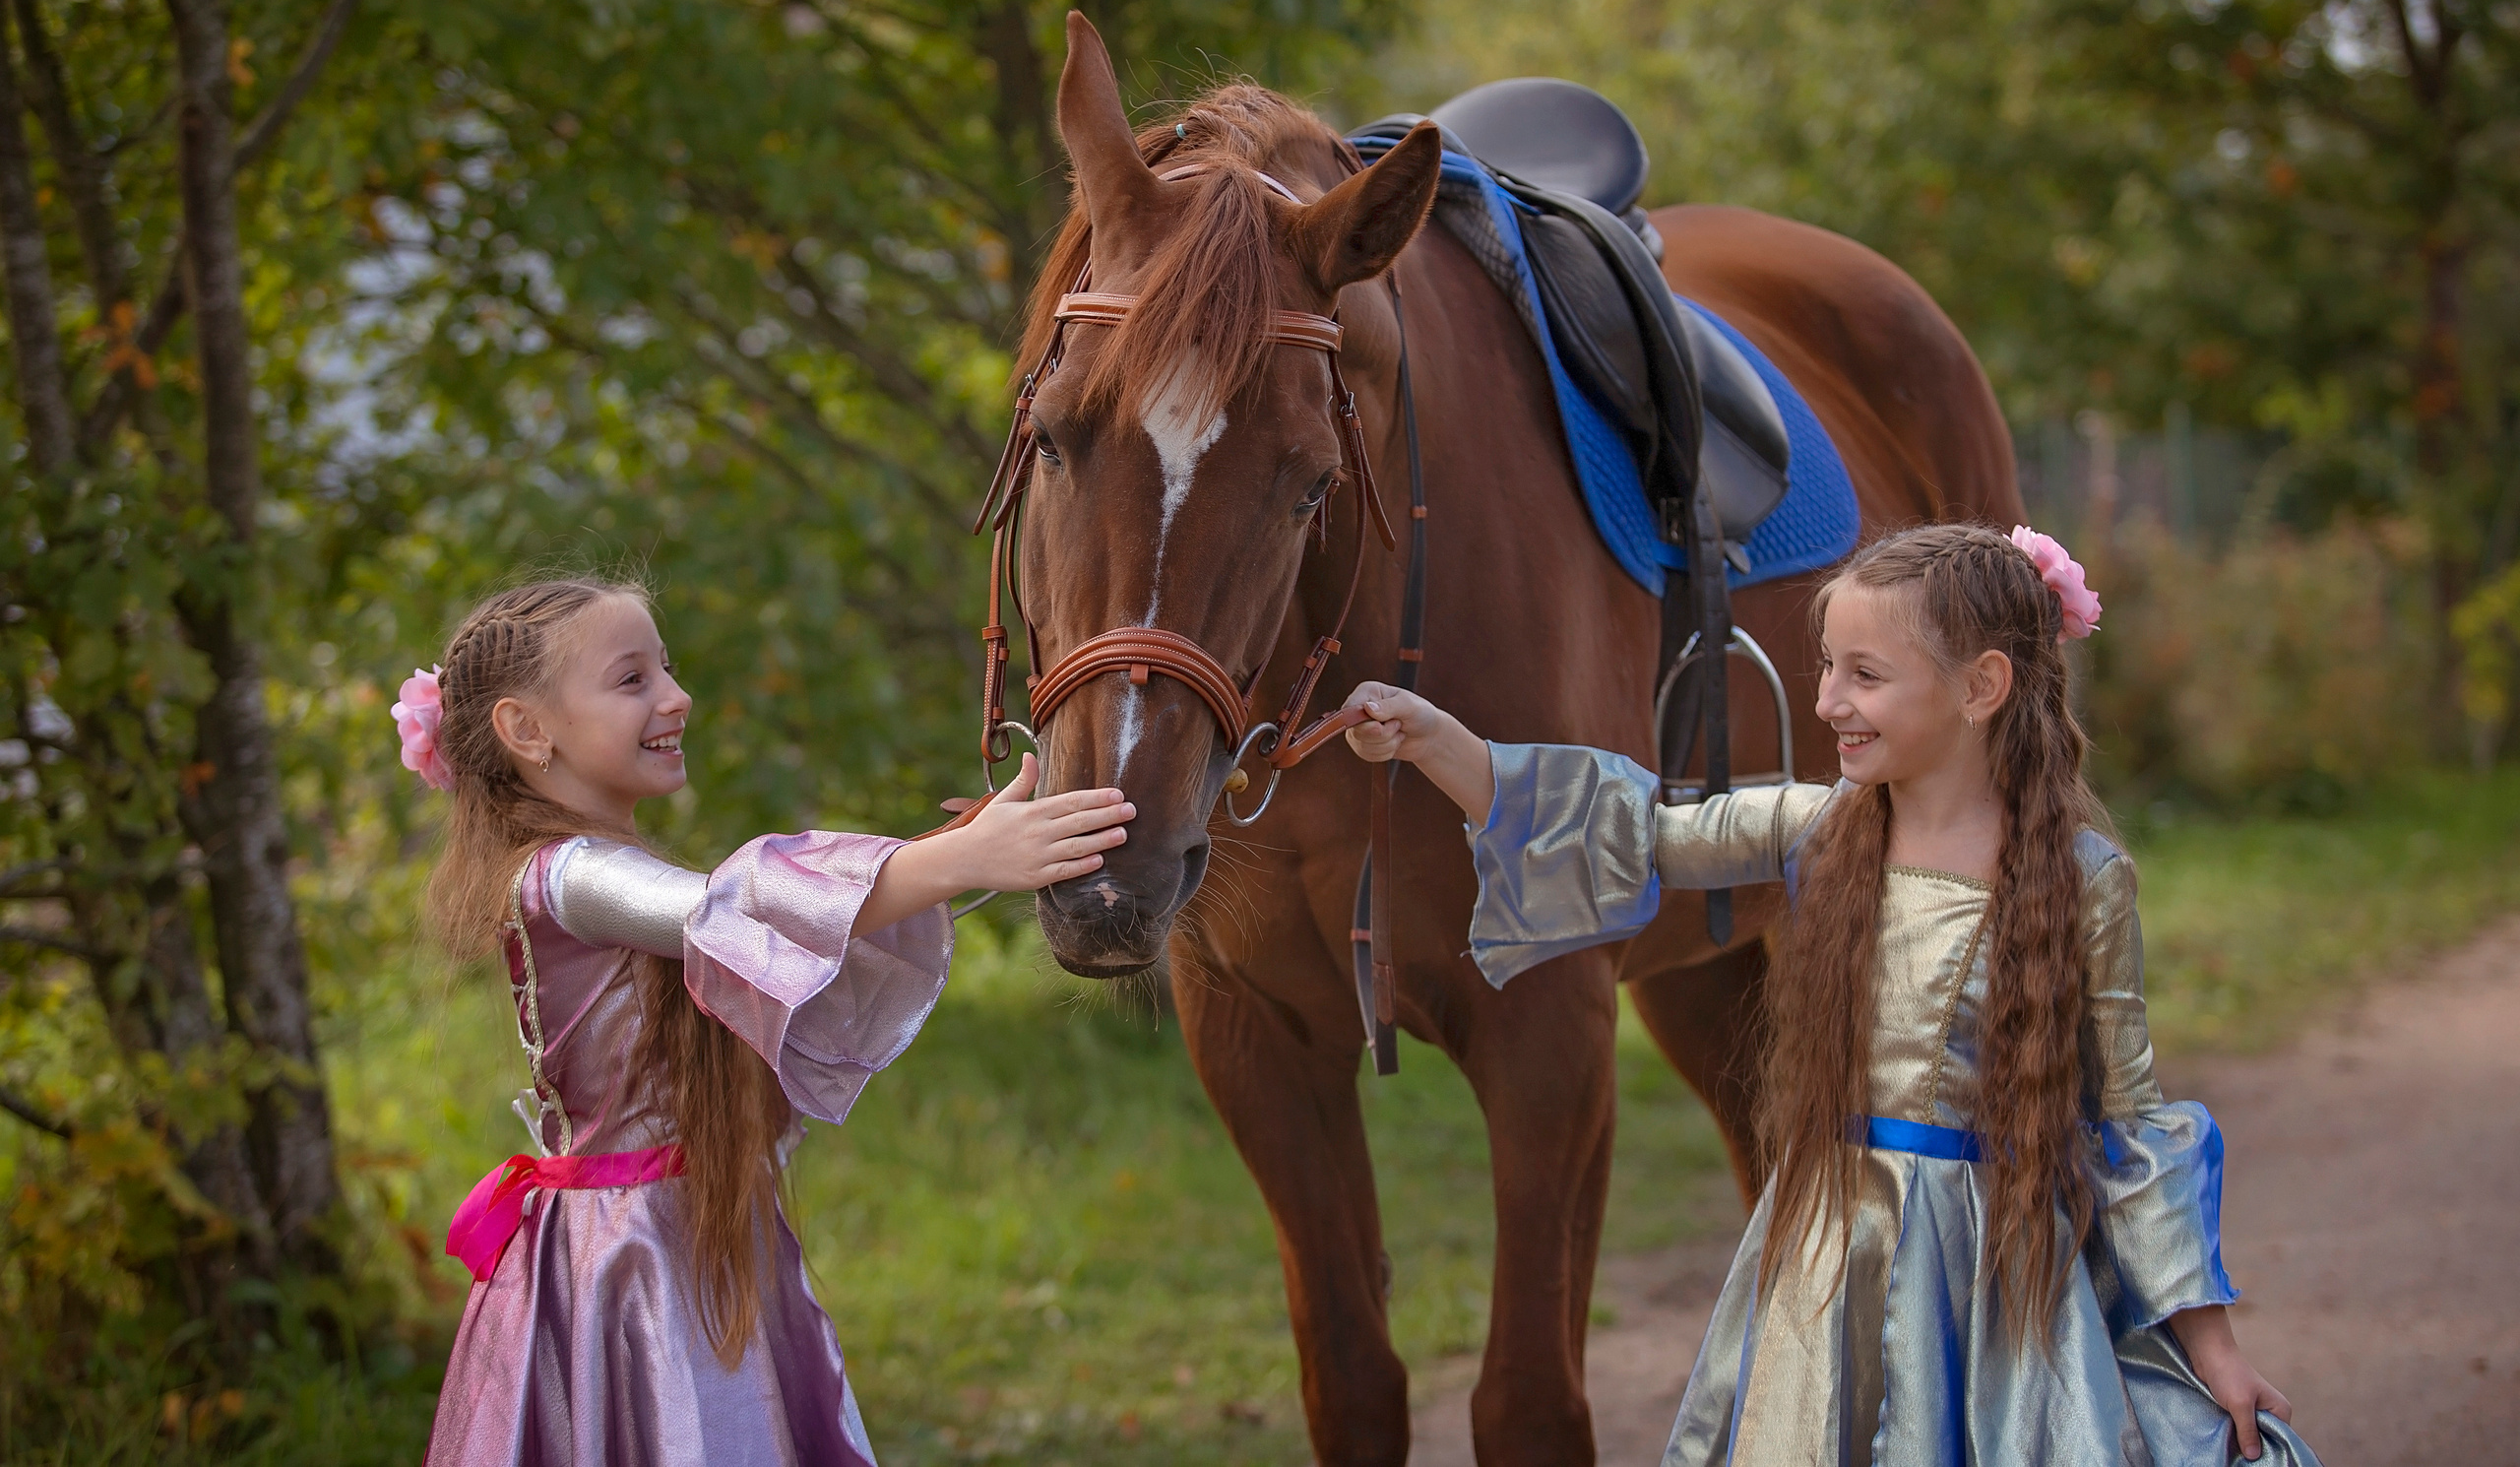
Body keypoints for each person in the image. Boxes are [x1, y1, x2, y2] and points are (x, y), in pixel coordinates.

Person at [1341, 524, 2319, 1466]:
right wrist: (1439, 743)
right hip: (1826, 1256)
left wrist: (2212, 1346)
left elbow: (2131, 1123)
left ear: (1981, 687)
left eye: (1865, 674)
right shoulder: (1817, 830)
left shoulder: (2083, 880)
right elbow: (1629, 829)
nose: (1826, 702)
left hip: (1993, 1278)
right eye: (1824, 667)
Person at [397, 577, 1134, 1467]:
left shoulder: (606, 864)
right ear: (527, 730)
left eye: (666, 668)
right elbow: (728, 908)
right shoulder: (564, 879)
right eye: (632, 680)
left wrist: (952, 859)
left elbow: (774, 929)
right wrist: (950, 860)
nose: (677, 696)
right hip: (630, 1259)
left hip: (697, 1225)